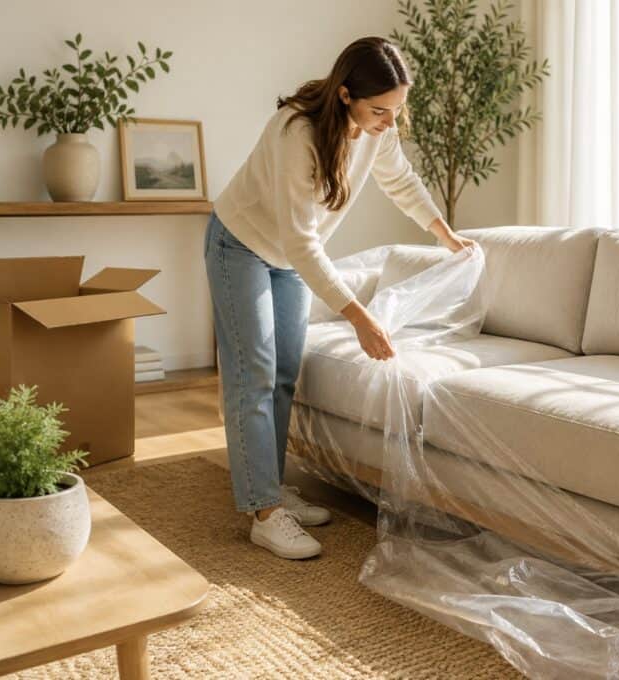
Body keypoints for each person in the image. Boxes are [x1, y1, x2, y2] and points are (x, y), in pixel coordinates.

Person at [204, 37, 474, 560]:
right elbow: (301, 241)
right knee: (253, 371)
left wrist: (445, 235)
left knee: (285, 371)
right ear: (346, 94)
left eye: (397, 111)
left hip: (287, 257)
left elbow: (401, 180)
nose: (389, 123)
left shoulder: (377, 130)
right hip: (240, 245)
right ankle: (262, 513)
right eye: (380, 110)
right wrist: (359, 317)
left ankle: (272, 488)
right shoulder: (295, 132)